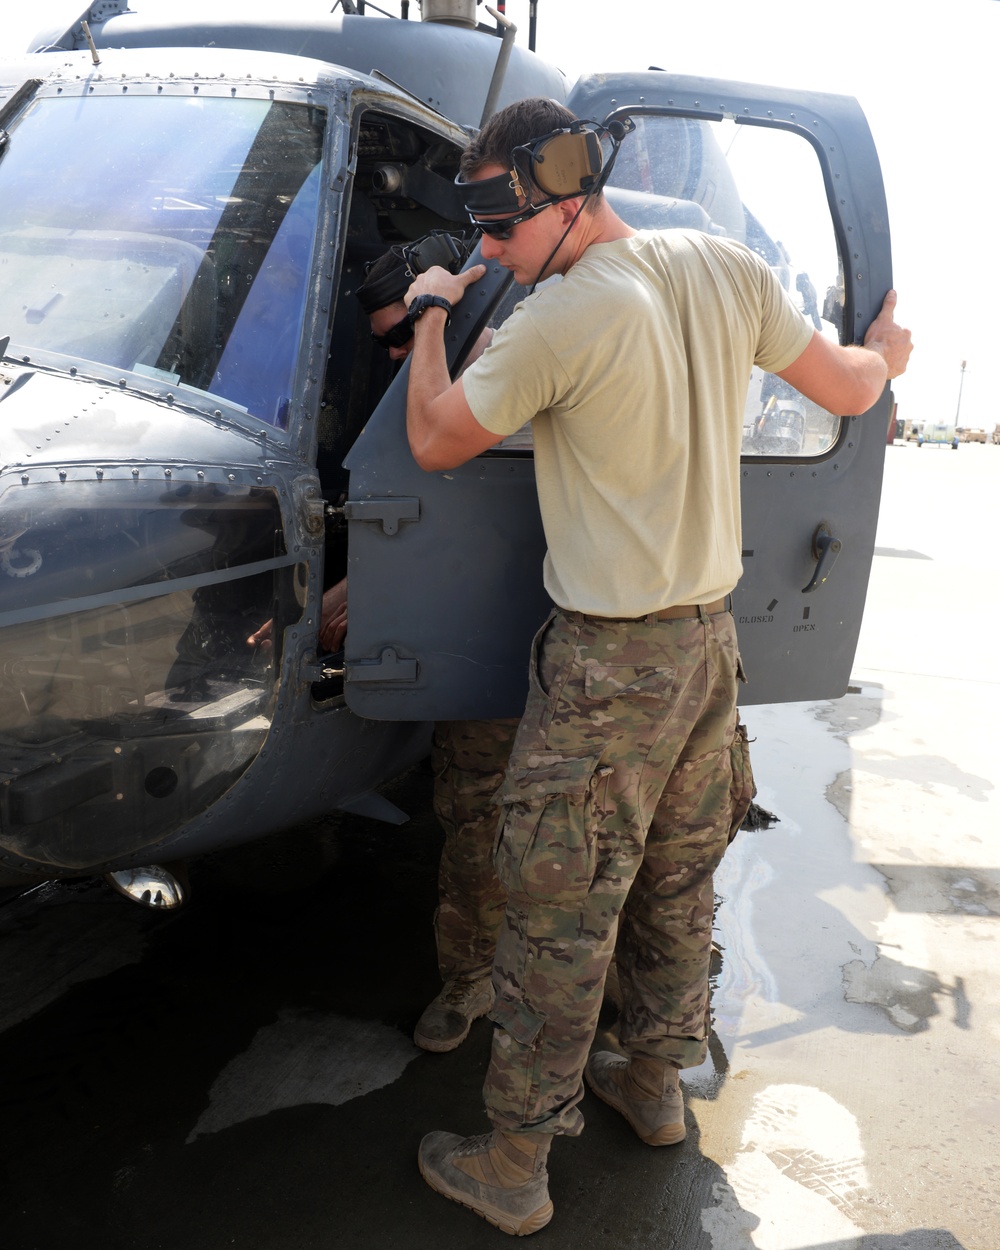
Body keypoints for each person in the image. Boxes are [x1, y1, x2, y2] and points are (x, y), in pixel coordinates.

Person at [398, 97, 912, 1236]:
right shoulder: (722, 269)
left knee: (558, 908)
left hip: (606, 666)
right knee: (678, 883)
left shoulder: (558, 319)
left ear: (568, 184)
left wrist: (435, 315)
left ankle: (516, 1160)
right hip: (704, 645)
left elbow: (433, 439)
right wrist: (886, 354)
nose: (485, 248)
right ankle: (652, 1081)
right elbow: (848, 389)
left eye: (499, 222)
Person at [248, 242, 516, 1055]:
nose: (399, 355)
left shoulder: (523, 357)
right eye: (387, 341)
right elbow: (410, 488)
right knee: (474, 822)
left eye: (409, 331)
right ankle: (470, 981)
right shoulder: (431, 377)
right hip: (478, 652)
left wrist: (371, 586)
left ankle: (622, 1002)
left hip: (566, 638)